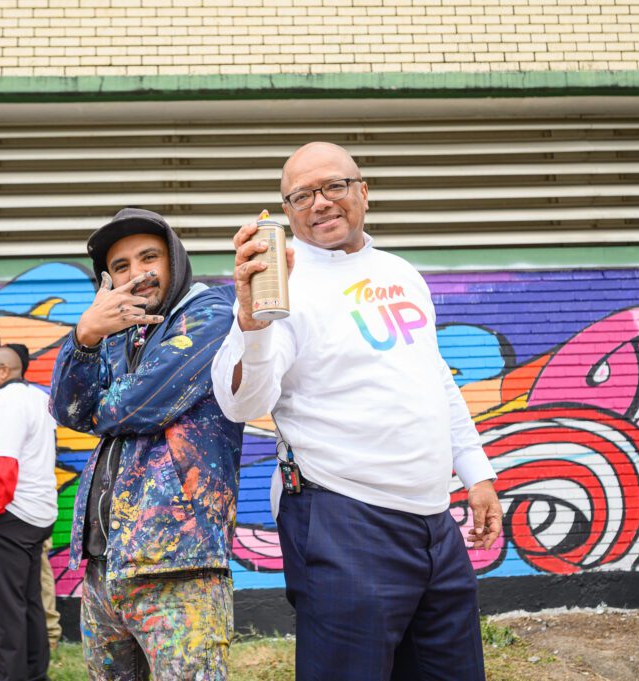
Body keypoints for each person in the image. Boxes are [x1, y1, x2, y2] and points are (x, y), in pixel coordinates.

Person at [211, 142, 503, 681]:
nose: (319, 203)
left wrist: (477, 472)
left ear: (362, 191)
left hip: (436, 521)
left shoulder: (401, 271)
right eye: (300, 195)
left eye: (333, 187)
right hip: (343, 516)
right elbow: (243, 402)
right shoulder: (281, 285)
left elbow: (434, 377)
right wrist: (250, 325)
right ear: (287, 209)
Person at [49, 207, 243, 679]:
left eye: (149, 257)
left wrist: (98, 407)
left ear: (175, 260)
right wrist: (85, 335)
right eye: (121, 266)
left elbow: (137, 406)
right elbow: (68, 410)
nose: (137, 274)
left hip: (179, 566)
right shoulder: (116, 336)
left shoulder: (212, 315)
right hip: (104, 566)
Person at [0, 347, 57, 681]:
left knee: (3, 612)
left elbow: (3, 464)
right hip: (33, 516)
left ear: (4, 370)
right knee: (27, 603)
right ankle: (34, 675)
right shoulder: (35, 398)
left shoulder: (6, 403)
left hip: (7, 518)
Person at [3, 343, 63, 650]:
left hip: (28, 503)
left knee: (37, 572)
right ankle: (42, 634)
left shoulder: (28, 403)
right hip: (27, 504)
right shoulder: (36, 401)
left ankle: (49, 636)